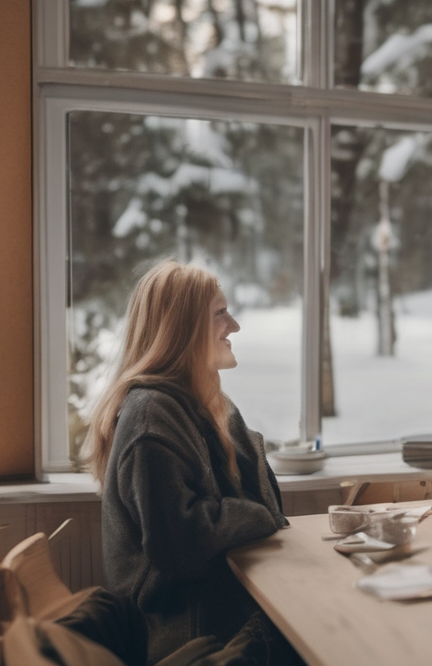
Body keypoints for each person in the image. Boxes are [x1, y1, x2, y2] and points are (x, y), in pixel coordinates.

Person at [83, 260, 291, 665]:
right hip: (192, 635)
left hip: (218, 611)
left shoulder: (200, 402)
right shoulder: (152, 417)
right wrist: (256, 516)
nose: (234, 326)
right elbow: (180, 545)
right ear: (183, 329)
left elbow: (257, 494)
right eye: (220, 314)